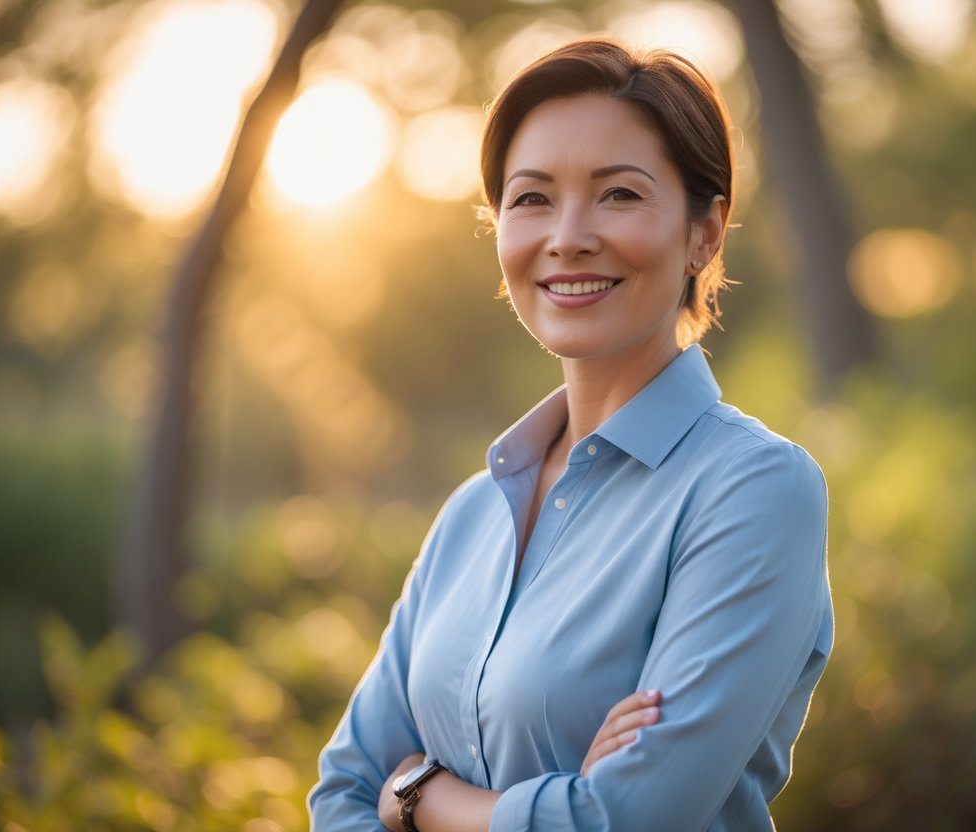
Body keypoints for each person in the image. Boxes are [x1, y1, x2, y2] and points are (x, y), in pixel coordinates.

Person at [308, 36, 833, 832]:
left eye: (618, 194)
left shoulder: (754, 492)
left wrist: (419, 796)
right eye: (531, 199)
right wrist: (544, 805)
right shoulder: (472, 514)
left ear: (704, 232)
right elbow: (342, 794)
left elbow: (623, 821)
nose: (567, 236)